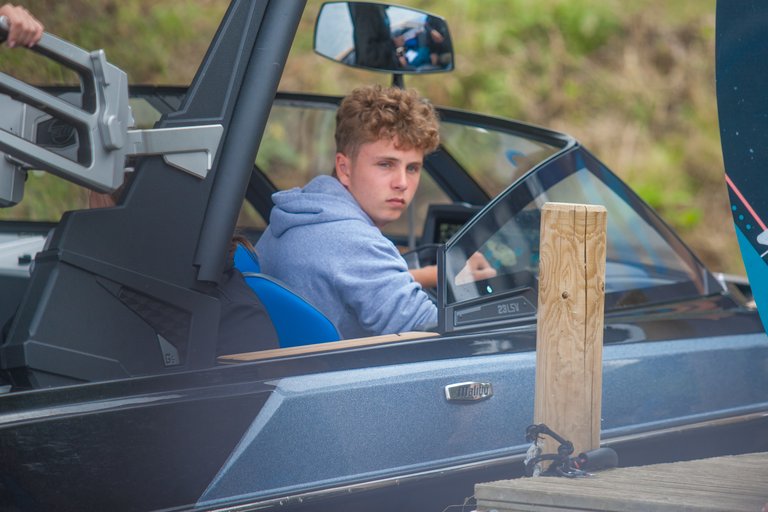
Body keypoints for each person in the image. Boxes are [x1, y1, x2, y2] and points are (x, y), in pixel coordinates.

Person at [256, 85, 438, 339]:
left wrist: (433, 275)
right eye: (386, 164)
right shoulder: (354, 242)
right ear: (344, 168)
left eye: (412, 168)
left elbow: (355, 276)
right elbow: (435, 333)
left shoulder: (302, 215)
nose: (402, 183)